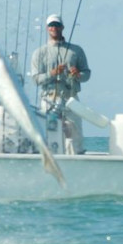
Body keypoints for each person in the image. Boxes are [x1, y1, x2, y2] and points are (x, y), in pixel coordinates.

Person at [31, 14, 91, 154]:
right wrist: (52, 73)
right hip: (48, 98)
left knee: (75, 134)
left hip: (70, 97)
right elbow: (35, 79)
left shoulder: (76, 50)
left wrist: (78, 74)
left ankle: (77, 159)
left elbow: (86, 74)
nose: (54, 28)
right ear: (47, 28)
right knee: (50, 134)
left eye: (57, 25)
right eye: (51, 25)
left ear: (62, 27)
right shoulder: (39, 53)